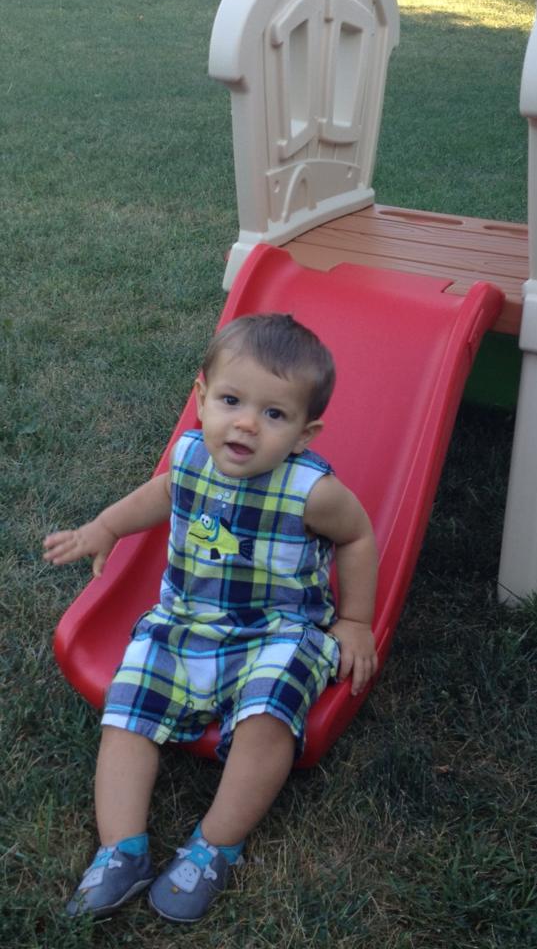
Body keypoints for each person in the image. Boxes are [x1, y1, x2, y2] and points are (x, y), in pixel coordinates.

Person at [43, 313, 378, 923]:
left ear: (306, 432)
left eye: (275, 414)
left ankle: (214, 846)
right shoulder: (192, 454)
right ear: (201, 398)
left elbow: (357, 536)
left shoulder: (312, 490)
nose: (246, 423)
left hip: (278, 632)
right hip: (184, 621)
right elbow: (164, 493)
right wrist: (106, 527)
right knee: (128, 707)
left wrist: (355, 620)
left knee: (268, 715)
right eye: (231, 400)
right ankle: (123, 850)